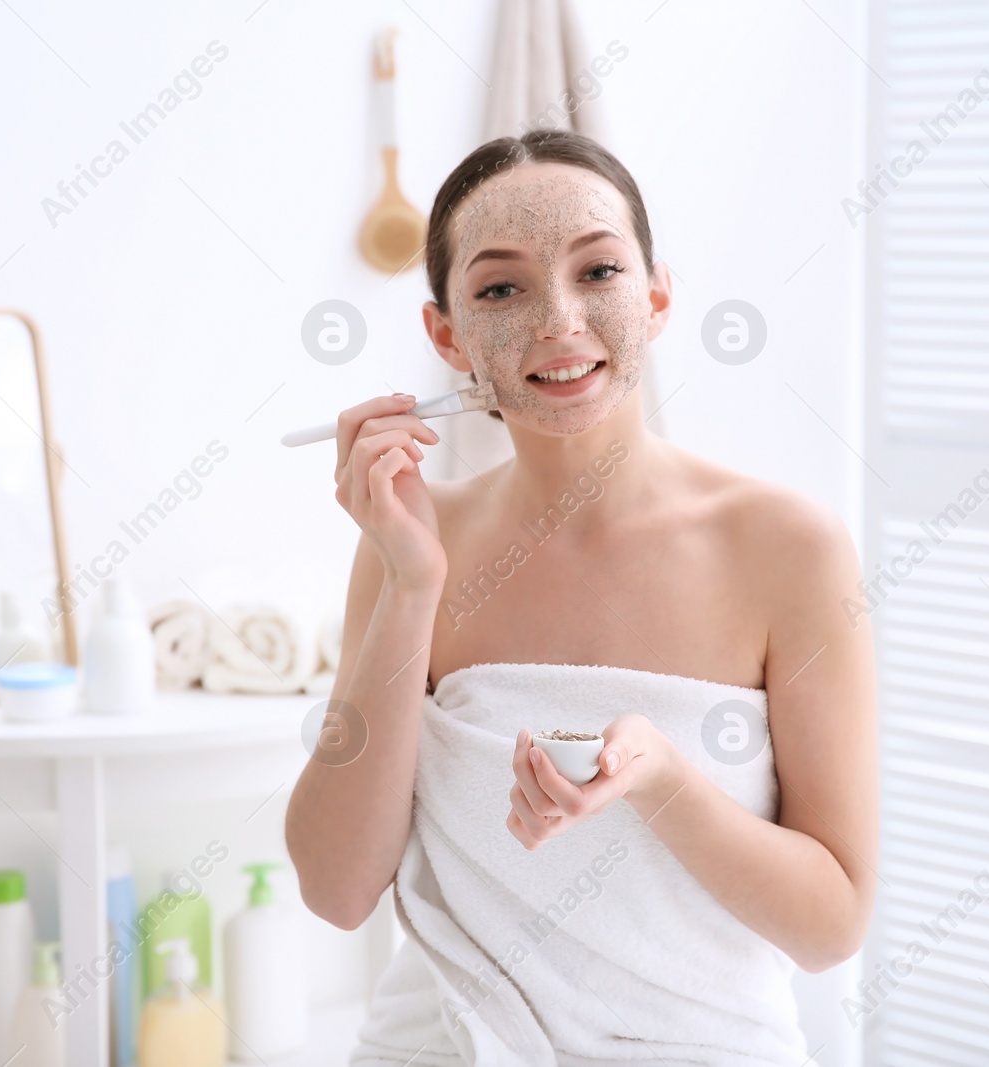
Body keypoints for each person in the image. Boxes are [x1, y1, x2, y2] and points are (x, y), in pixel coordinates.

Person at [286, 129, 878, 1065]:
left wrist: (661, 778)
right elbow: (336, 887)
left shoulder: (788, 551)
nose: (558, 319)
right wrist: (412, 585)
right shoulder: (411, 545)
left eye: (597, 271)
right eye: (500, 288)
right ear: (447, 335)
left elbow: (830, 925)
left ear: (656, 296)